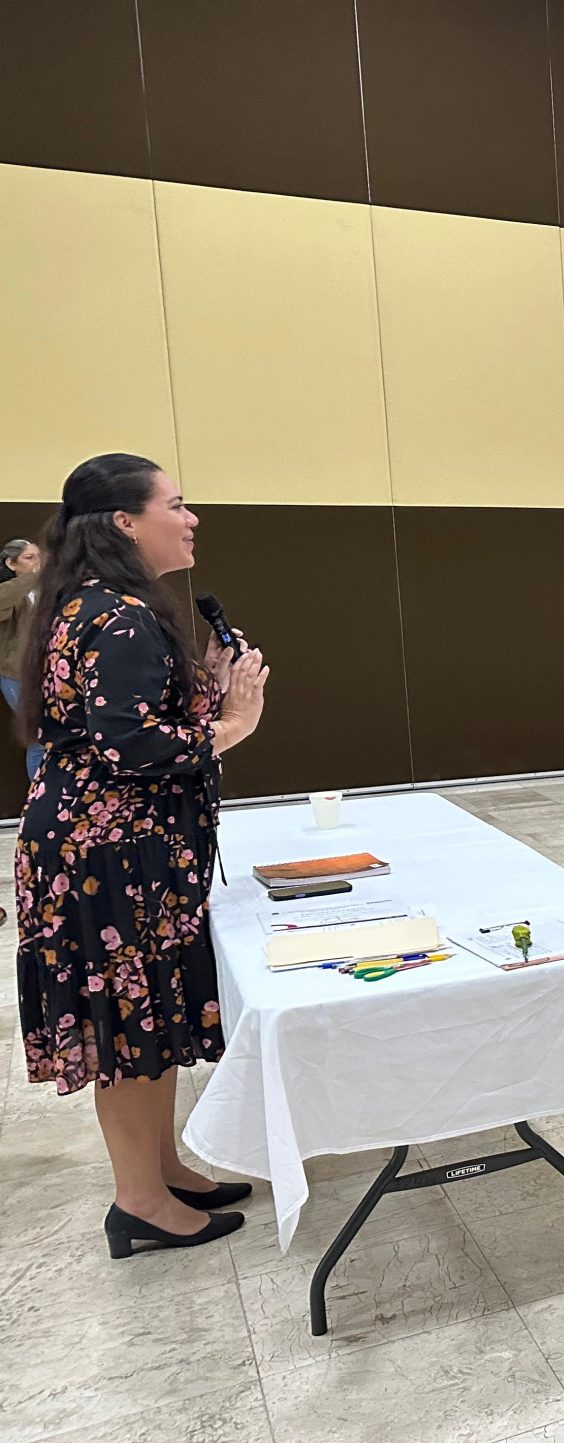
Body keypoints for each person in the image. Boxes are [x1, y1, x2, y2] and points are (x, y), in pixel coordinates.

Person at [17, 454, 271, 1259]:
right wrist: (233, 724)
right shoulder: (120, 617)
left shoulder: (94, 605)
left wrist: (210, 685)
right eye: (177, 504)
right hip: (111, 860)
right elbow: (132, 748)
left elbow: (124, 719)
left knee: (146, 1020)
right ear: (125, 522)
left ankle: (161, 1172)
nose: (192, 519)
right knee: (129, 1030)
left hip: (107, 851)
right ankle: (138, 1201)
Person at [0, 537, 44, 782]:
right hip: (17, 674)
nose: (37, 562)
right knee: (38, 735)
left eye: (39, 557)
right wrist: (33, 577)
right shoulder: (11, 591)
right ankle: (41, 796)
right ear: (11, 563)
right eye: (29, 558)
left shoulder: (51, 591)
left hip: (51, 674)